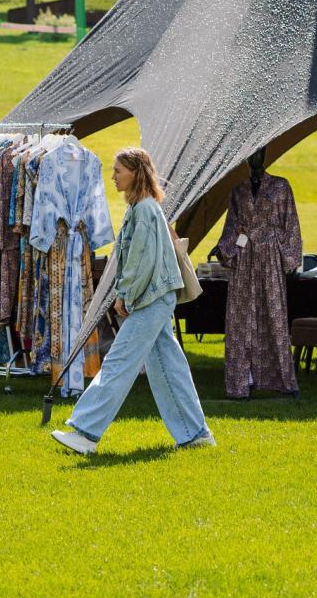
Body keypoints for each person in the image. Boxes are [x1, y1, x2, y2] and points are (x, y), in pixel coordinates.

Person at [51, 147, 215, 455]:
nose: (113, 177)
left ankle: (85, 433)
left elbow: (140, 261)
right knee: (169, 367)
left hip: (150, 299)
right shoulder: (144, 207)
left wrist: (124, 296)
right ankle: (196, 434)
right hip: (157, 297)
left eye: (118, 171)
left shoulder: (144, 210)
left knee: (119, 362)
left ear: (135, 172)